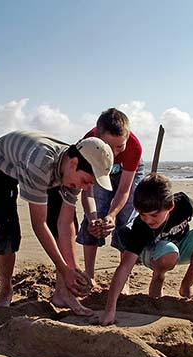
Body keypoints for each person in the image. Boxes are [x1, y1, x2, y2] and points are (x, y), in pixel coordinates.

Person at [0, 130, 114, 316]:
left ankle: (63, 294)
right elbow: (39, 224)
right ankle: (5, 291)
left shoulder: (72, 170)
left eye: (90, 184)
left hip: (45, 168)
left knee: (64, 220)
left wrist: (72, 269)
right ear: (73, 164)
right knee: (9, 230)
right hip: (1, 166)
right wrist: (63, 268)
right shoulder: (39, 164)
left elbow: (65, 224)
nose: (85, 188)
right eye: (86, 181)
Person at [99, 173, 193, 326]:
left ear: (170, 206)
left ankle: (186, 286)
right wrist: (109, 310)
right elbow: (125, 266)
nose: (148, 220)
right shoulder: (141, 227)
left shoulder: (183, 203)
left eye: (154, 215)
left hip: (181, 245)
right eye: (142, 214)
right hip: (155, 253)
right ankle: (158, 277)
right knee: (169, 251)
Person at [76, 108, 145, 292]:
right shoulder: (88, 146)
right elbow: (87, 189)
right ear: (98, 137)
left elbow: (123, 191)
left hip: (128, 174)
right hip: (98, 170)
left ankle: (125, 277)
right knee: (95, 216)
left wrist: (112, 216)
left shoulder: (133, 148)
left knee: (125, 221)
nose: (114, 153)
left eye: (120, 146)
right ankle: (89, 274)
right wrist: (92, 218)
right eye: (108, 145)